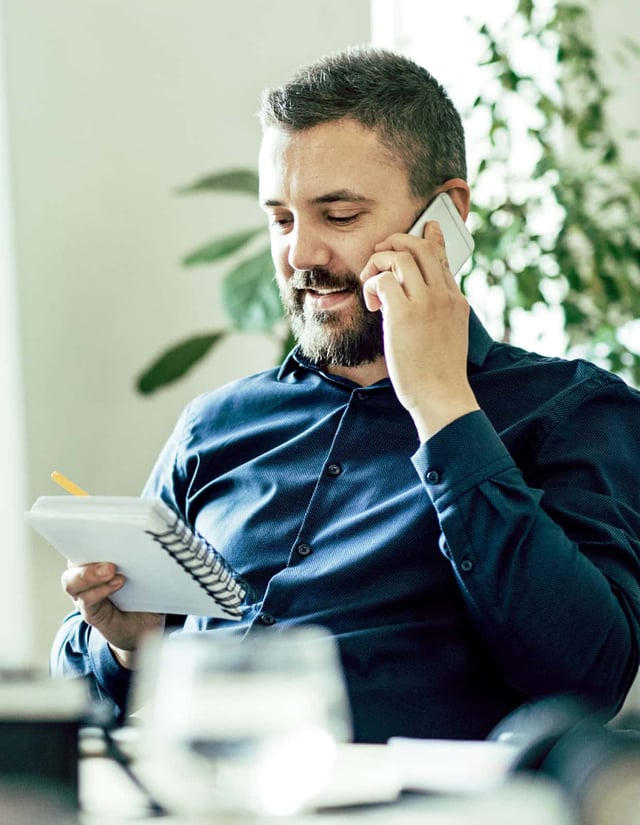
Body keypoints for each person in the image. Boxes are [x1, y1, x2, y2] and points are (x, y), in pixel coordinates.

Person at [51, 47, 640, 744]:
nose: (299, 254)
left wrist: (443, 405)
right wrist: (127, 644)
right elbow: (70, 698)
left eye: (337, 215)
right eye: (281, 220)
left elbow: (589, 677)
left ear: (444, 220)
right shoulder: (214, 425)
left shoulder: (573, 409)